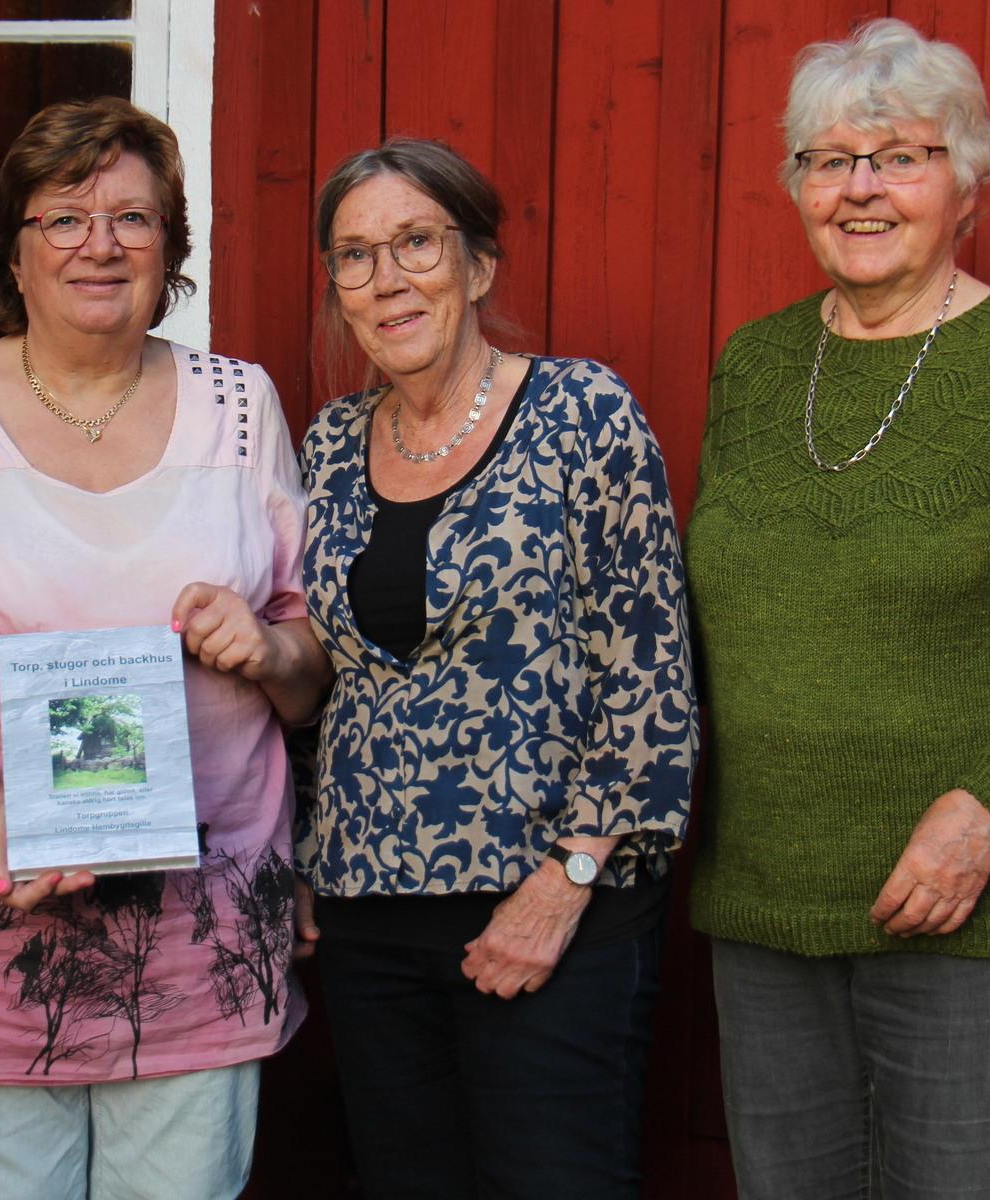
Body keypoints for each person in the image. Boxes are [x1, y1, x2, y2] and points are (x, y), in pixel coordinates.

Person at [0, 96, 329, 1199]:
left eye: (134, 219)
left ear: (170, 250)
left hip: (201, 924)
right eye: (65, 217)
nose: (101, 244)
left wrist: (272, 652)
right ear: (15, 248)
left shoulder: (240, 407)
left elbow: (311, 649)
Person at [685, 18, 990, 1199]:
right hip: (767, 913)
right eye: (828, 159)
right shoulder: (754, 371)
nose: (861, 189)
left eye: (899, 155)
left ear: (966, 181)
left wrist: (983, 812)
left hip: (974, 920)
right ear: (797, 185)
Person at [293, 137, 698, 1198]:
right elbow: (328, 676)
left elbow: (648, 675)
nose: (388, 280)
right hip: (370, 917)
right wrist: (302, 856)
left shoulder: (581, 414)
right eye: (355, 255)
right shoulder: (332, 443)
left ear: (477, 267)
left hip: (549, 911)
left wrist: (565, 882)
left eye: (416, 242)